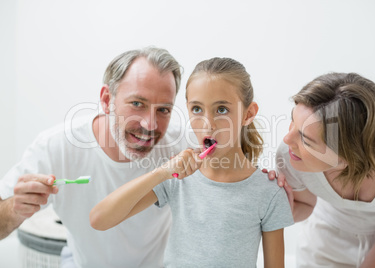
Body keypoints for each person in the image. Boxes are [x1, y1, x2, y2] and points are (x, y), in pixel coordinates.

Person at [90, 57, 294, 267]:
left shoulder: (269, 193)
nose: (208, 124)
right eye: (197, 109)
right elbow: (99, 219)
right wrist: (161, 173)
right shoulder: (177, 178)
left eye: (221, 109)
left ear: (248, 114)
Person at [0, 47, 188, 267]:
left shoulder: (181, 145)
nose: (150, 124)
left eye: (164, 110)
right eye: (137, 104)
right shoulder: (56, 147)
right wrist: (15, 208)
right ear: (107, 100)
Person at [273, 72, 375, 268]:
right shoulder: (291, 155)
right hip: (323, 248)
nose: (287, 140)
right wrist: (278, 212)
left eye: (305, 139)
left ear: (347, 157)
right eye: (293, 121)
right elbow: (305, 205)